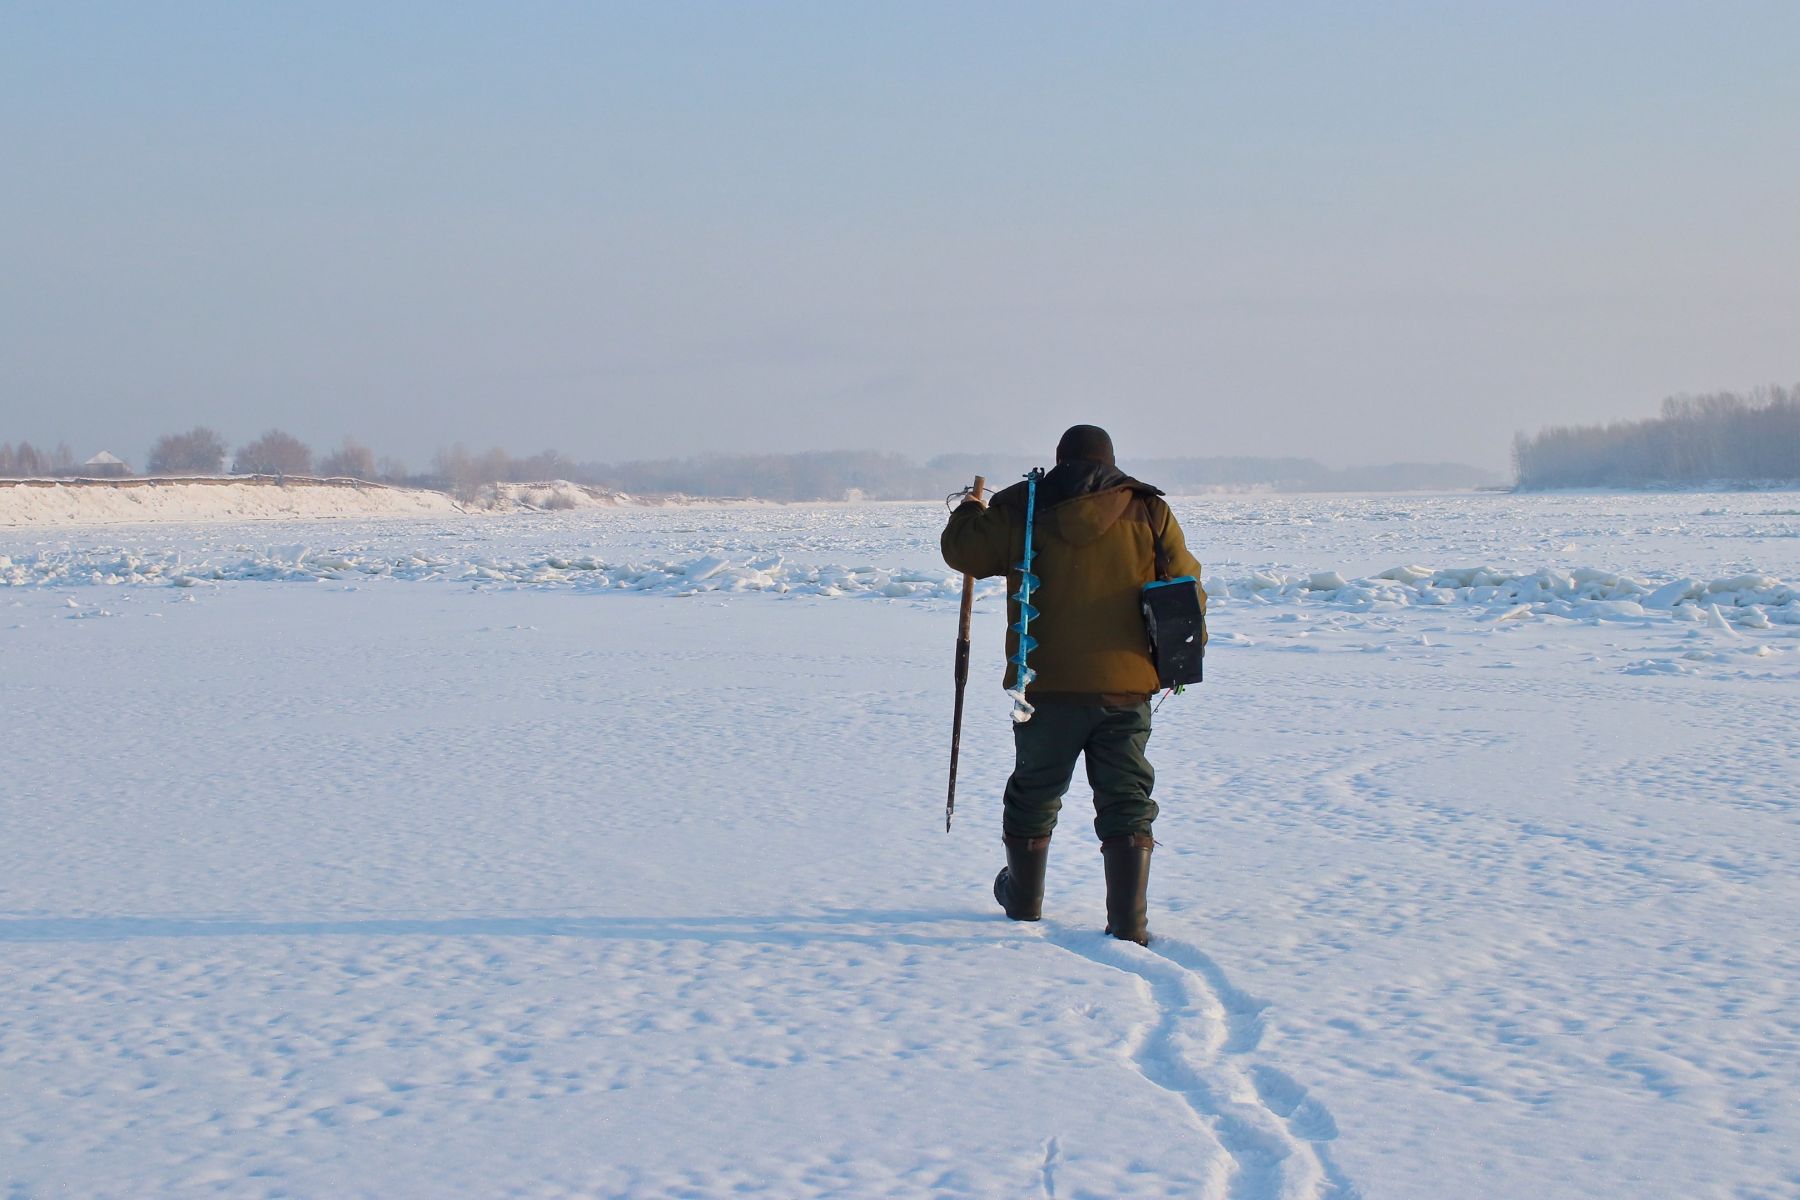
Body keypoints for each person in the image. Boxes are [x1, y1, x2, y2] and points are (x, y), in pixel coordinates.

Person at [940, 424, 1204, 944]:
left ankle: (1023, 900)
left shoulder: (1026, 505)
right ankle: (1129, 924)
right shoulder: (1149, 510)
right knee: (1126, 800)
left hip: (1046, 684)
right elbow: (1185, 586)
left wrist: (970, 510)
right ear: (1111, 462)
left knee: (1034, 793)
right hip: (1126, 688)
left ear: (1060, 461)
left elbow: (964, 552)